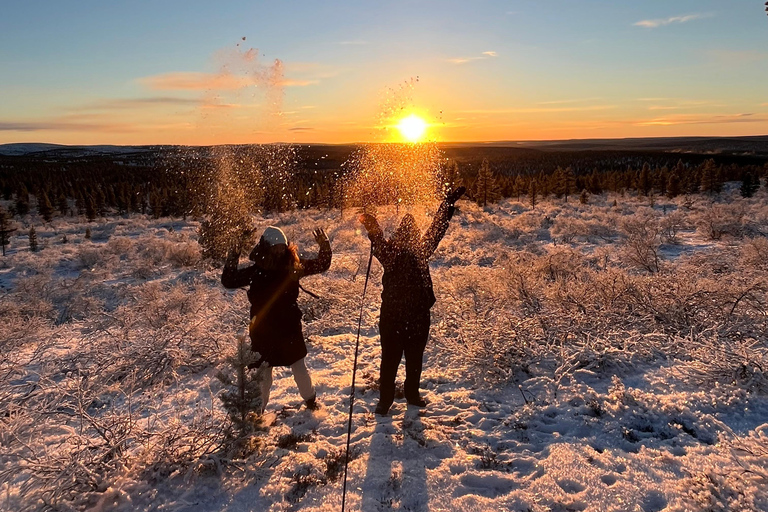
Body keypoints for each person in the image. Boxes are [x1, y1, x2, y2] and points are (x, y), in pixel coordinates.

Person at [359, 187, 465, 416]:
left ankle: (397, 398)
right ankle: (396, 398)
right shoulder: (416, 250)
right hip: (404, 317)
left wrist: (371, 224)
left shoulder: (404, 251)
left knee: (393, 360)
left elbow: (378, 239)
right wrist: (446, 205)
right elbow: (436, 230)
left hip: (402, 317)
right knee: (404, 360)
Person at [221, 225, 331, 412]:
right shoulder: (257, 271)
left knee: (299, 368)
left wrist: (325, 247)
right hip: (263, 330)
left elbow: (322, 264)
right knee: (264, 374)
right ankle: (258, 412)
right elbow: (228, 280)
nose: (280, 250)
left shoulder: (292, 266)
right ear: (266, 247)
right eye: (276, 247)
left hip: (289, 328)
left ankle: (311, 402)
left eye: (283, 246)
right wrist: (234, 252)